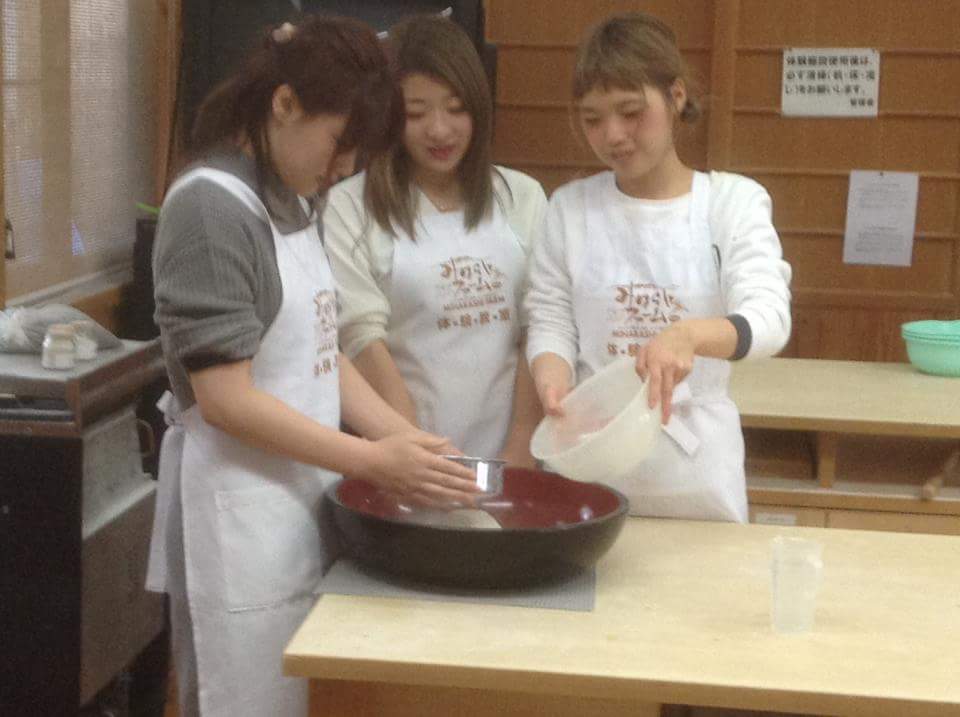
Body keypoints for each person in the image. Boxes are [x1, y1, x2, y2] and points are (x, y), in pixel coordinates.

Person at [144, 17, 478, 717]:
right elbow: (226, 400)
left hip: (297, 499)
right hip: (237, 511)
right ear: (285, 104)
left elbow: (322, 353)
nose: (345, 168)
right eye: (339, 143)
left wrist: (407, 441)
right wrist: (372, 460)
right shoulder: (211, 208)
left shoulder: (297, 196)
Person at [524, 12, 792, 522]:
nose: (613, 135)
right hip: (592, 458)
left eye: (630, 112)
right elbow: (551, 319)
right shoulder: (570, 209)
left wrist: (688, 336)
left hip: (696, 470)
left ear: (676, 97)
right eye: (592, 119)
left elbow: (769, 319)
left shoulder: (730, 203)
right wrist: (553, 385)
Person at [324, 15, 548, 467]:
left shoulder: (521, 196)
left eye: (456, 108)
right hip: (400, 454)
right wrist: (417, 450)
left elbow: (539, 324)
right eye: (416, 113)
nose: (440, 130)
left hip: (511, 455)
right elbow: (360, 336)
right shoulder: (349, 206)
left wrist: (522, 442)